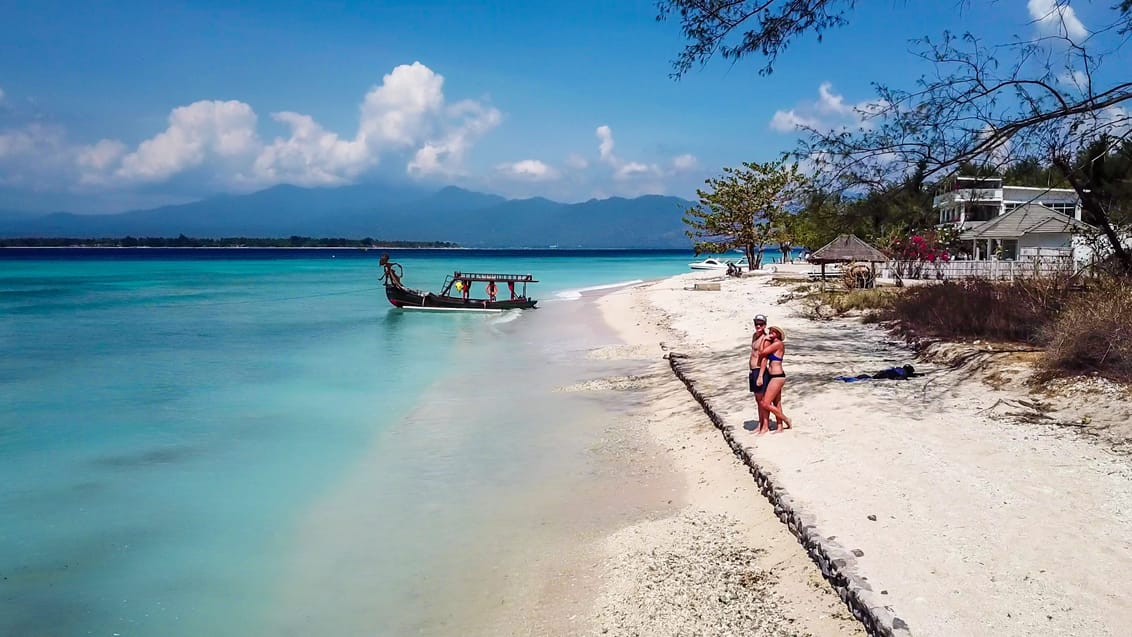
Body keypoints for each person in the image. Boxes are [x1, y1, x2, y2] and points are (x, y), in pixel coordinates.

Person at [757, 326, 792, 431]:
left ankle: (786, 419)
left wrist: (764, 339)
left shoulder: (778, 344)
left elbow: (762, 352)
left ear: (779, 334)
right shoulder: (773, 344)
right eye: (771, 331)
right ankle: (779, 426)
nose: (771, 333)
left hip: (777, 376)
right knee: (777, 402)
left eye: (774, 332)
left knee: (765, 403)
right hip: (773, 375)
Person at [749, 314, 771, 431]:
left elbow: (764, 358)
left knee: (763, 400)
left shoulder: (765, 339)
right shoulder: (754, 336)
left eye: (761, 324)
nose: (758, 326)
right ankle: (760, 423)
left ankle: (765, 425)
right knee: (758, 400)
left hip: (759, 370)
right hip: (753, 370)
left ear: (765, 325)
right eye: (756, 323)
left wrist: (761, 376)